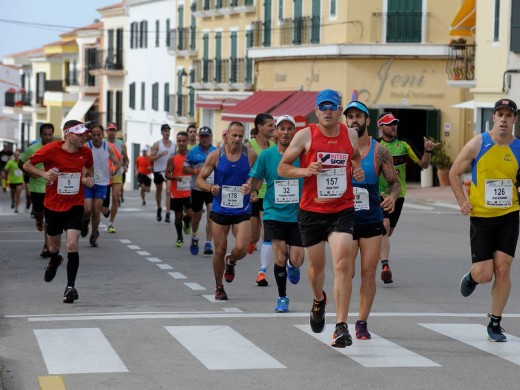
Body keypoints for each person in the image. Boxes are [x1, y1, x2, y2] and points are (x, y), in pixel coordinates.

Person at [278, 89, 364, 348]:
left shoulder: (350, 134)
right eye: (322, 107)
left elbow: (356, 158)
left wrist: (357, 170)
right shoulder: (305, 135)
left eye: (332, 106)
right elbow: (283, 167)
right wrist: (306, 170)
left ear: (340, 111)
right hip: (311, 211)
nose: (327, 111)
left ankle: (341, 327)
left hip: (342, 209)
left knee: (342, 264)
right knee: (315, 269)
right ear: (316, 111)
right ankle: (318, 300)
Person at [450, 98, 520, 342]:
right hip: (481, 218)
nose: (503, 119)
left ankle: (495, 323)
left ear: (514, 119)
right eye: (499, 114)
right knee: (484, 274)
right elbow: (454, 172)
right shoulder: (479, 143)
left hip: (509, 216)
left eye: (508, 115)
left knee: (503, 269)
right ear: (493, 117)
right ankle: (472, 276)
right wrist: (462, 201)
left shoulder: (519, 148)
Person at [344, 101, 400, 340]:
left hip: (370, 219)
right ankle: (340, 319)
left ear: (368, 121)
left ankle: (361, 322)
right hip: (343, 219)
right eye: (350, 117)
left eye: (359, 116)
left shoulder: (379, 151)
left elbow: (393, 181)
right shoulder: (338, 148)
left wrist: (393, 198)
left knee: (368, 272)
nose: (354, 120)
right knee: (346, 271)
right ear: (345, 121)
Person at [22, 120, 94, 303]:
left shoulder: (86, 152)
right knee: (54, 247)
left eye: (85, 134)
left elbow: (89, 170)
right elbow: (27, 165)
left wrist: (87, 179)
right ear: (68, 135)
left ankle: (70, 287)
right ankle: (55, 259)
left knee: (72, 243)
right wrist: (43, 174)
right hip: (53, 206)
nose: (84, 138)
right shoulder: (51, 150)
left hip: (75, 205)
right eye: (80, 135)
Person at [249, 115, 304, 312]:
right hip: (273, 213)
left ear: (295, 132)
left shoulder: (303, 155)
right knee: (279, 256)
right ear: (276, 132)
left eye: (290, 128)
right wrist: (252, 189)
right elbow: (256, 177)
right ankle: (282, 297)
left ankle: (292, 265)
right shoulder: (266, 155)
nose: (286, 132)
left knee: (296, 259)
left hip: (298, 214)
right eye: (282, 128)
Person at [196, 121, 256, 300]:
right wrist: (210, 188)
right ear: (227, 135)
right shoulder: (215, 156)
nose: (237, 139)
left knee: (242, 247)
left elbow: (260, 176)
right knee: (219, 250)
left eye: (240, 135)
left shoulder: (250, 155)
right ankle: (219, 286)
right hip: (220, 208)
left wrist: (252, 188)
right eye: (234, 135)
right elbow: (200, 179)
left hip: (242, 208)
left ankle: (232, 262)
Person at [377, 112, 438, 283]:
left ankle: (377, 250)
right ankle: (385, 266)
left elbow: (423, 164)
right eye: (389, 124)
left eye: (395, 123)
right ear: (381, 127)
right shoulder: (375, 145)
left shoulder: (404, 145)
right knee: (385, 225)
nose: (393, 126)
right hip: (380, 194)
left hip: (399, 195)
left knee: (387, 232)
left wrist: (427, 151)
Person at [245, 113, 276, 287]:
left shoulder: (273, 146)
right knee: (254, 234)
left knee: (267, 231)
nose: (273, 128)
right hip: (253, 194)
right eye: (270, 125)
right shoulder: (250, 146)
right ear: (259, 127)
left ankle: (262, 270)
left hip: (269, 194)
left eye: (274, 125)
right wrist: (251, 188)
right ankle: (251, 242)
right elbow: (246, 169)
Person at [81, 124, 121, 247]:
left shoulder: (107, 147)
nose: (96, 137)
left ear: (103, 135)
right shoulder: (87, 147)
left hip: (102, 183)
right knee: (87, 209)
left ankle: (93, 235)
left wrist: (114, 168)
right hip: (89, 182)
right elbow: (81, 163)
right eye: (94, 135)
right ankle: (85, 222)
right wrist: (84, 175)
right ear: (90, 135)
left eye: (99, 135)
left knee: (96, 210)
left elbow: (118, 162)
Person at [19, 123, 55, 257]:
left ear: (52, 135)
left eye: (49, 134)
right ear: (41, 135)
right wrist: (31, 174)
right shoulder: (32, 149)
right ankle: (38, 221)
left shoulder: (56, 148)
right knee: (40, 215)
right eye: (45, 134)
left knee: (49, 218)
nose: (47, 137)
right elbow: (20, 163)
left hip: (51, 188)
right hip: (37, 187)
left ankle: (47, 246)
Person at [183, 126, 216, 256]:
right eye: (202, 136)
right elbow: (184, 169)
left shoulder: (217, 151)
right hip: (197, 188)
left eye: (207, 136)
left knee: (211, 213)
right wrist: (196, 171)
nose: (204, 139)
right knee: (197, 216)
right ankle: (195, 236)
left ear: (211, 137)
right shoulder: (193, 152)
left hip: (212, 188)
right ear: (199, 138)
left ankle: (208, 242)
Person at [165, 131, 193, 247]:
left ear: (187, 141)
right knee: (178, 216)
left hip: (190, 190)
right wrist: (175, 177)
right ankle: (179, 237)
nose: (181, 143)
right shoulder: (172, 158)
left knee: (191, 214)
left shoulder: (192, 156)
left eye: (183, 141)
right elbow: (166, 174)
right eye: (179, 141)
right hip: (176, 191)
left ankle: (187, 222)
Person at [104, 122, 129, 233]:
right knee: (101, 200)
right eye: (110, 130)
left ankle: (111, 223)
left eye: (114, 130)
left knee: (115, 197)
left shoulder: (121, 144)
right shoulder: (102, 143)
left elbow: (126, 158)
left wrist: (126, 166)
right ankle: (104, 211)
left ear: (116, 131)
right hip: (104, 174)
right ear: (106, 131)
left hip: (117, 173)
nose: (112, 132)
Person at [151, 124, 176, 223]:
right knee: (159, 191)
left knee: (168, 192)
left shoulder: (174, 145)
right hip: (158, 170)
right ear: (162, 132)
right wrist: (160, 155)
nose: (167, 133)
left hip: (169, 171)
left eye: (168, 131)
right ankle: (159, 208)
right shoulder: (157, 144)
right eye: (165, 131)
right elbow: (151, 158)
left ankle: (168, 214)